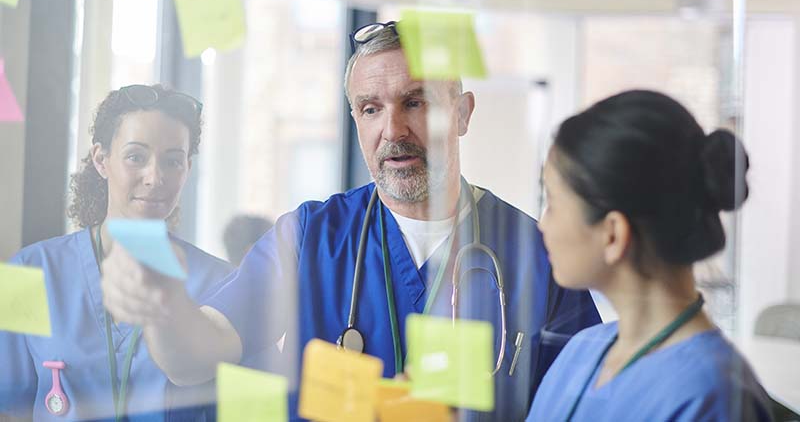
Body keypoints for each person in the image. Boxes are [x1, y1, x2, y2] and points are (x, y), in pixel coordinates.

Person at [100, 22, 601, 421]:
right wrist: (162, 309)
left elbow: (582, 404)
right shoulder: (311, 238)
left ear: (463, 113)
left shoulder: (540, 254)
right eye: (370, 109)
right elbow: (195, 358)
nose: (393, 130)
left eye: (416, 102)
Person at [527, 90, 772, 421]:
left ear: (613, 233)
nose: (543, 225)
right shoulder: (582, 350)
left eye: (552, 203)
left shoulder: (712, 397)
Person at [0, 84, 233, 421]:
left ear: (188, 169)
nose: (155, 177)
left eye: (173, 161)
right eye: (135, 157)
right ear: (101, 160)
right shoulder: (28, 272)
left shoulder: (222, 284)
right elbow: (8, 411)